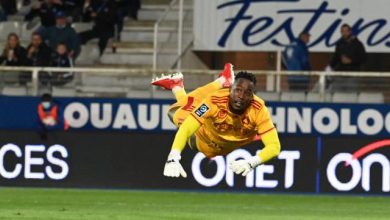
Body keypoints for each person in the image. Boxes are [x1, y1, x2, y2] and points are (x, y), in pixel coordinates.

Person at [151, 64, 281, 178]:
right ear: (229, 90)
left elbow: (275, 147)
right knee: (174, 112)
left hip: (229, 143)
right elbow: (186, 127)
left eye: (247, 93)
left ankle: (179, 85)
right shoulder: (213, 102)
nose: (241, 96)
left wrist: (252, 162)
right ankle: (221, 81)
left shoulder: (259, 110)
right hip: (203, 137)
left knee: (186, 106)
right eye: (237, 90)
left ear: (252, 96)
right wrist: (173, 157)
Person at [327, 24, 366, 91]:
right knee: (337, 97)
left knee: (350, 98)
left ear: (350, 31)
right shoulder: (339, 43)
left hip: (352, 76)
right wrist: (329, 67)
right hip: (339, 75)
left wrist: (351, 61)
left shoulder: (358, 44)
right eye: (342, 31)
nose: (344, 33)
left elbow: (363, 58)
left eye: (346, 31)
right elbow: (336, 57)